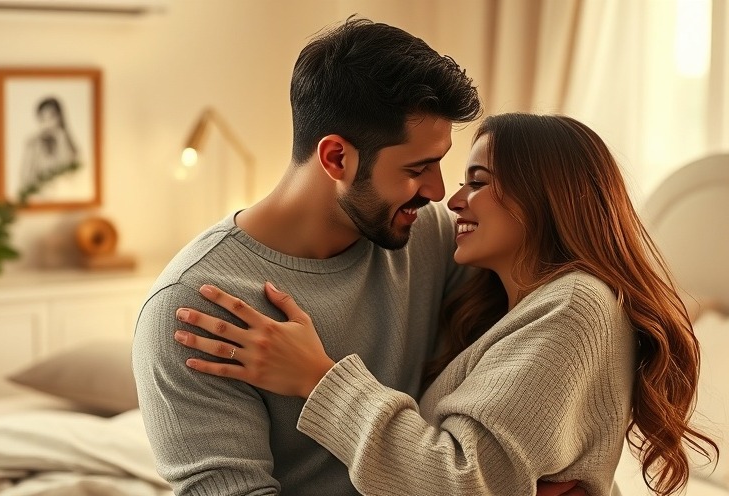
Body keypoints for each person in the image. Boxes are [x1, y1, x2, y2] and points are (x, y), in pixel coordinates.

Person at [132, 17, 583, 496]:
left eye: (439, 163)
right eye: (417, 169)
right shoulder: (194, 310)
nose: (436, 191)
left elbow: (557, 317)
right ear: (335, 159)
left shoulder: (428, 237)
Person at [171, 113, 720, 495]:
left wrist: (320, 380)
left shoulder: (578, 304)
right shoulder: (497, 294)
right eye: (425, 172)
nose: (448, 198)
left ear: (545, 196)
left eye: (476, 182)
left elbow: (461, 482)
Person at [20, 96, 78, 193]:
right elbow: (25, 178)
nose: (48, 122)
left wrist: (61, 138)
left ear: (60, 117)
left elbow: (68, 172)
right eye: (43, 118)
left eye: (52, 117)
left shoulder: (67, 142)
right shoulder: (33, 144)